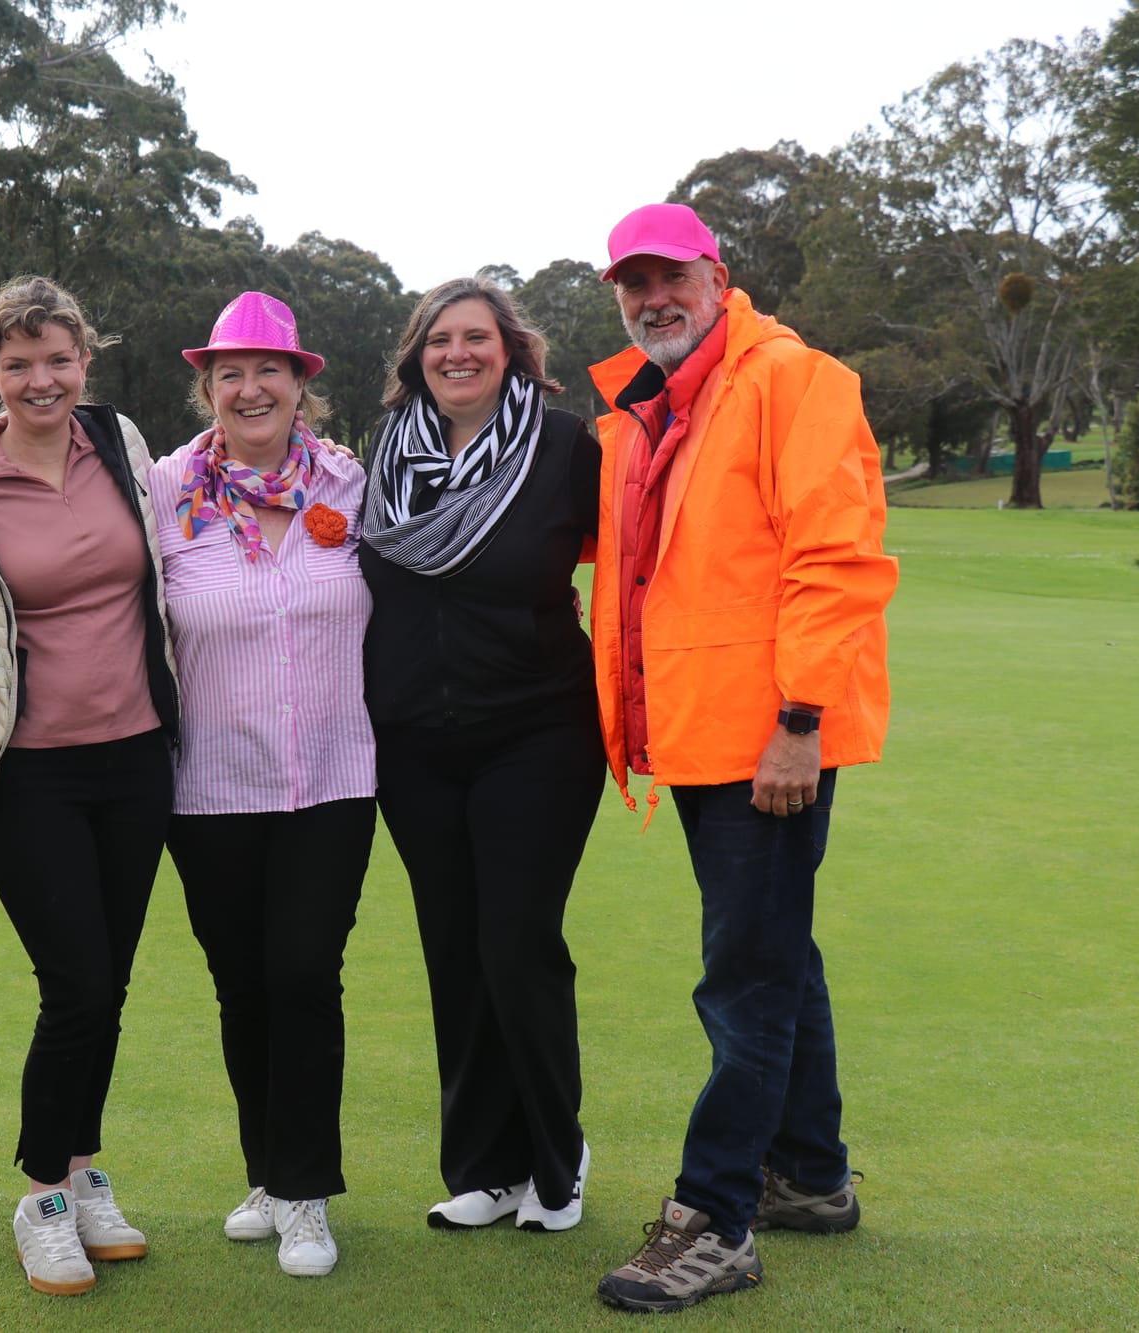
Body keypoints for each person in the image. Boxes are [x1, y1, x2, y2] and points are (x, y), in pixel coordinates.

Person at [585, 203, 897, 1314]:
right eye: (632, 283)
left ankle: (715, 1218)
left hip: (768, 734)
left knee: (746, 978)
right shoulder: (645, 405)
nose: (652, 298)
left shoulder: (792, 380)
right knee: (775, 954)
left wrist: (799, 720)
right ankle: (808, 1175)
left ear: (717, 278)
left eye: (670, 276)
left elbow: (835, 556)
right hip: (699, 730)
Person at [0, 275, 179, 1298]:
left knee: (109, 986)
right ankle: (42, 1197)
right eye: (18, 363)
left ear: (83, 361)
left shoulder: (121, 443)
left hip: (137, 758)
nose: (41, 379)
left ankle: (83, 1171)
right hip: (28, 772)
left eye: (58, 359)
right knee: (77, 985)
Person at [358, 278, 603, 1235]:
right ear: (416, 356)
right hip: (414, 743)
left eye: (476, 338)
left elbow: (634, 563)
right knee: (454, 948)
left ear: (512, 351)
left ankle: (556, 1158)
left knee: (516, 941)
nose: (456, 353)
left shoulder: (564, 446)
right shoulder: (385, 453)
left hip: (537, 733)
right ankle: (485, 1168)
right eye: (438, 340)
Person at [147, 292, 377, 1278]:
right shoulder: (162, 490)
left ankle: (307, 1190)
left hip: (334, 774)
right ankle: (268, 1175)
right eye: (229, 373)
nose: (250, 388)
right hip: (209, 784)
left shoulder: (349, 482)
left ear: (300, 384)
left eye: (268, 370)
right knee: (242, 986)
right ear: (208, 388)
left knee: (303, 975)